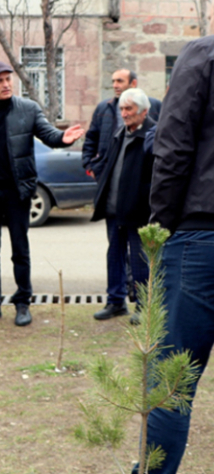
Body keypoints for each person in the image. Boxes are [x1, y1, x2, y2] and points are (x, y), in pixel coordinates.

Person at [138, 35, 214, 474]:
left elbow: (172, 145)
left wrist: (159, 229)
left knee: (171, 384)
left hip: (201, 237)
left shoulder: (203, 54)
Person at [0, 61, 84, 327]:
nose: (6, 84)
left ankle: (22, 303)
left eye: (9, 79)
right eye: (0, 80)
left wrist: (63, 137)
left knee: (20, 249)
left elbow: (48, 134)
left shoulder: (28, 109)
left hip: (17, 191)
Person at [89, 88, 155, 324]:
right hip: (113, 210)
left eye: (129, 109)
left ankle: (143, 307)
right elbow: (108, 163)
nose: (124, 114)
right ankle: (116, 303)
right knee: (114, 257)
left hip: (138, 212)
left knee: (140, 261)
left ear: (144, 112)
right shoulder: (120, 132)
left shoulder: (152, 135)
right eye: (122, 109)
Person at [82, 69, 162, 179]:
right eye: (113, 81)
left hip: (140, 174)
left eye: (120, 81)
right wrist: (90, 167)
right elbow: (91, 139)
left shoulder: (154, 106)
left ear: (133, 83)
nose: (115, 85)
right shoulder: (103, 108)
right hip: (108, 173)